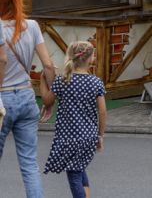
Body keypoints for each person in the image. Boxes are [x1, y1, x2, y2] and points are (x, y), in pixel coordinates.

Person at [0, 0, 56, 198]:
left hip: (3, 96)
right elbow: (48, 65)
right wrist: (49, 99)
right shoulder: (32, 25)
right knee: (29, 163)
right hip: (26, 96)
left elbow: (2, 59)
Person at [42, 41, 106, 198]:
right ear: (90, 59)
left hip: (69, 137)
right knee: (79, 168)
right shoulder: (96, 82)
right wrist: (100, 135)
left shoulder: (62, 80)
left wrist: (42, 80)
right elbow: (103, 111)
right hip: (89, 136)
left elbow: (47, 101)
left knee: (74, 174)